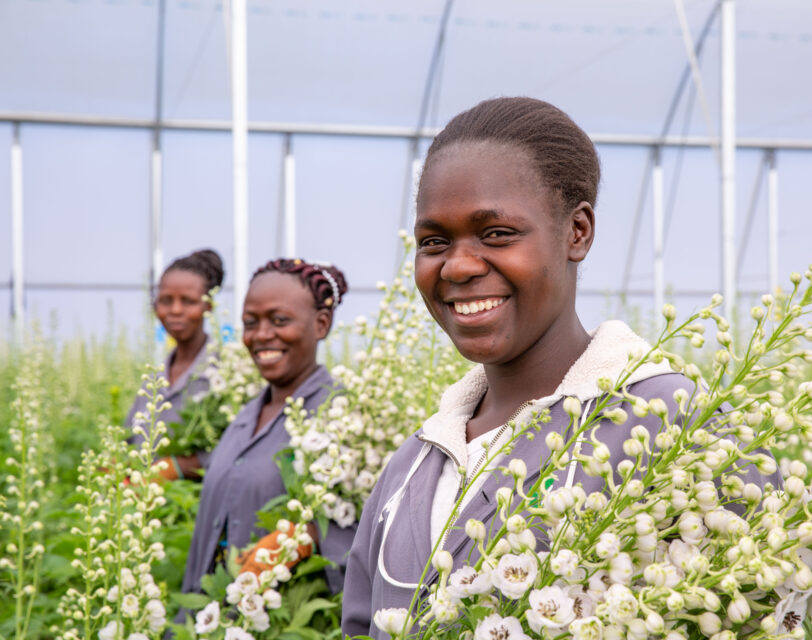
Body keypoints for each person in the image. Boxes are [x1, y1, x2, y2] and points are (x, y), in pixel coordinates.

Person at [341, 97, 781, 638]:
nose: (456, 265)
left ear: (577, 231)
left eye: (497, 233)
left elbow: (759, 612)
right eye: (434, 241)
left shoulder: (675, 424)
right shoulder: (413, 465)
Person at [180, 259, 355, 597]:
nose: (261, 335)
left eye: (279, 321)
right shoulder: (245, 415)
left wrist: (303, 538)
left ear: (321, 324)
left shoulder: (343, 416)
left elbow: (371, 528)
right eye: (250, 322)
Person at [125, 248, 224, 480]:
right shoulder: (154, 378)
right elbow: (130, 439)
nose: (175, 310)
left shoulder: (226, 373)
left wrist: (175, 467)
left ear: (208, 307)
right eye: (166, 301)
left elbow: (235, 448)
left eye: (188, 301)